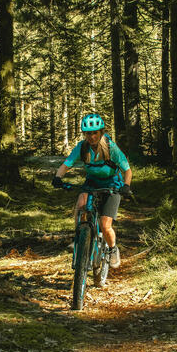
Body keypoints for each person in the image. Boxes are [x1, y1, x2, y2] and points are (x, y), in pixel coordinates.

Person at [52, 113, 133, 268]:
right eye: (88, 133)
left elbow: (127, 170)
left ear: (101, 132)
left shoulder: (111, 148)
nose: (91, 136)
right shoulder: (82, 147)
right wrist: (58, 177)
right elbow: (66, 164)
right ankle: (80, 238)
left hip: (112, 185)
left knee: (105, 225)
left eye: (95, 132)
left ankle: (112, 249)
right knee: (81, 204)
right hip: (92, 182)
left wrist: (126, 186)